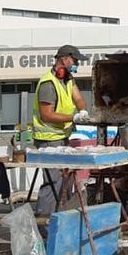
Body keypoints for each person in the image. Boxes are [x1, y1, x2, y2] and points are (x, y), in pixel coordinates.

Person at [31, 44, 90, 215]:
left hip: (63, 138)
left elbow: (78, 98)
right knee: (53, 184)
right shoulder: (48, 84)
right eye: (75, 60)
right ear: (64, 59)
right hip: (48, 140)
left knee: (65, 183)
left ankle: (60, 223)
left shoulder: (68, 79)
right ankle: (45, 227)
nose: (76, 64)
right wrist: (73, 118)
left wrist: (82, 110)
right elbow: (46, 115)